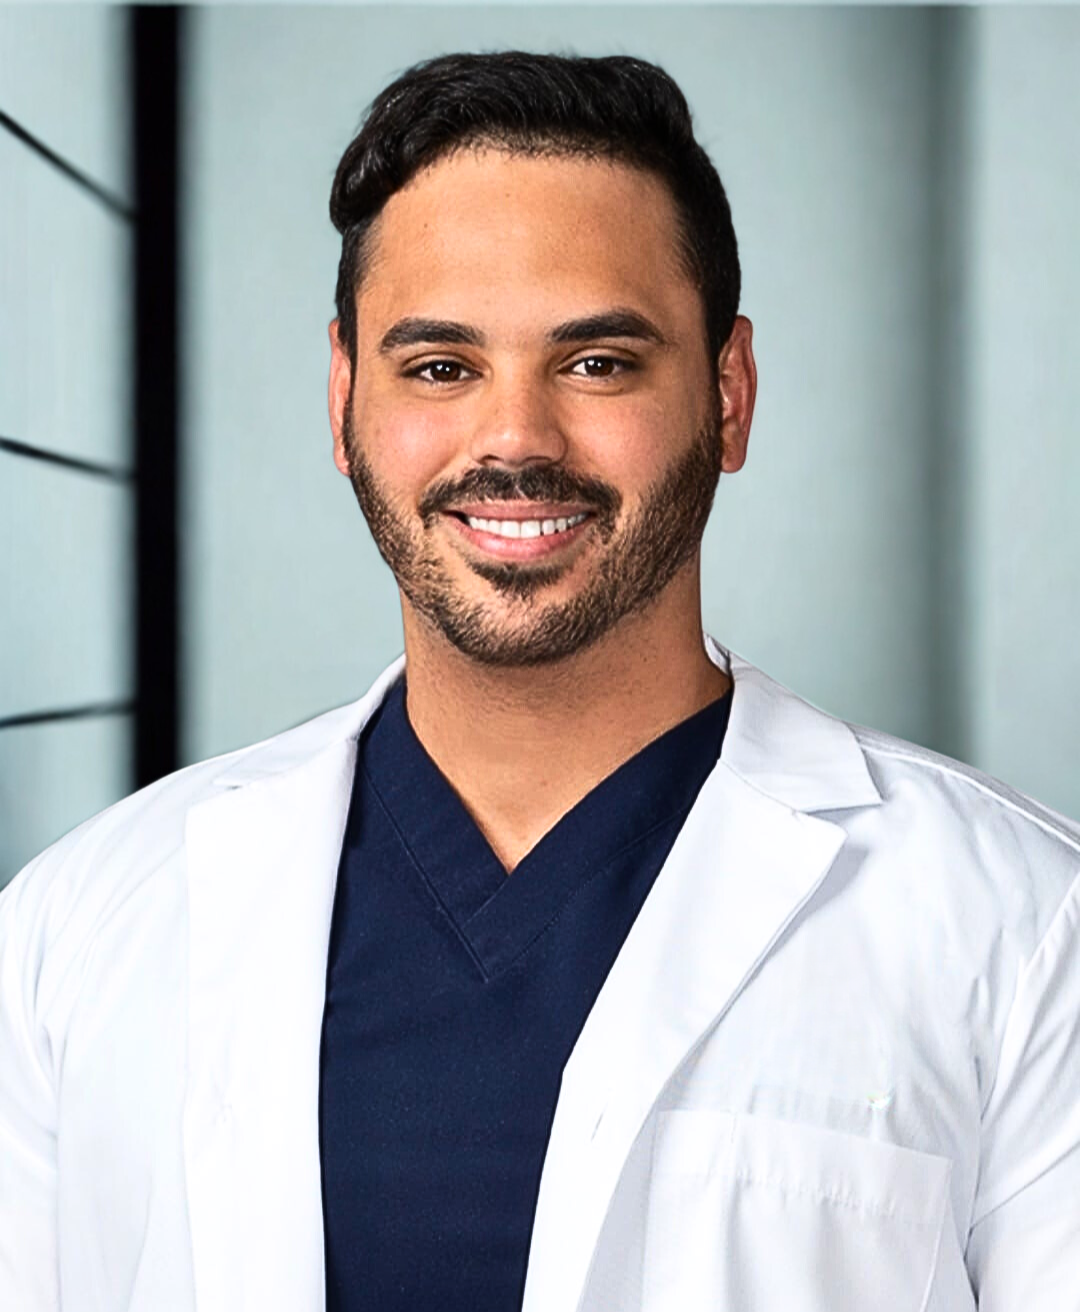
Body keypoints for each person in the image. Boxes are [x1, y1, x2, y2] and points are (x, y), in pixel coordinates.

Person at [1, 49, 1078, 1312]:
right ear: (345, 394)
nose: (514, 438)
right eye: (441, 366)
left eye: (598, 363)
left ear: (728, 396)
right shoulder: (80, 926)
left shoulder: (1021, 928)